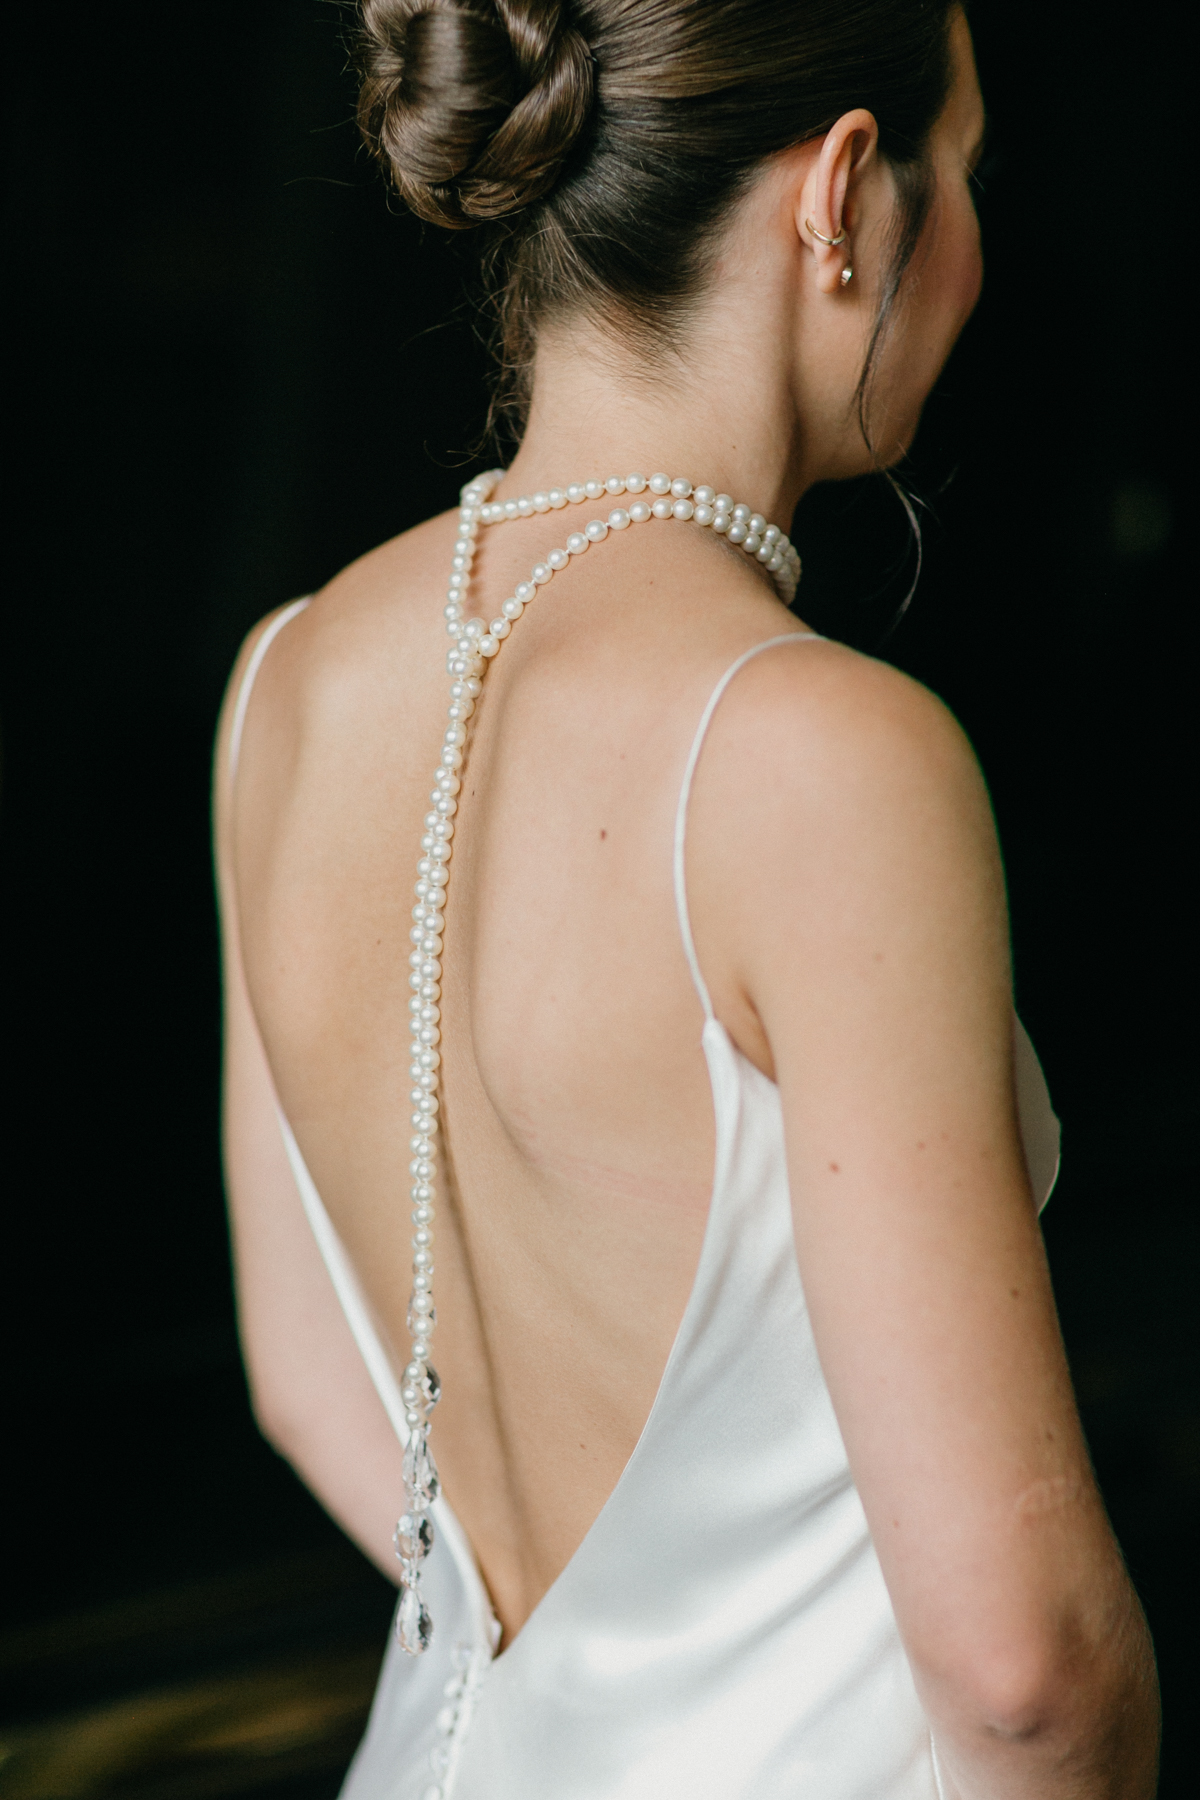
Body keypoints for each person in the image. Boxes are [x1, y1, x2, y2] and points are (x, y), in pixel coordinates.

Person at [214, 2, 1159, 1794]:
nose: (971, 245)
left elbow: (312, 1389)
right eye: (967, 172)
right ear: (842, 196)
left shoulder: (287, 683)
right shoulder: (816, 756)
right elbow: (1026, 1669)